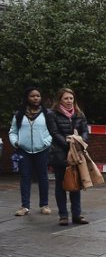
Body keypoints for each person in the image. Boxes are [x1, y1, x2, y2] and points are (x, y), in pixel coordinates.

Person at [47, 88, 90, 226]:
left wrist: (79, 143)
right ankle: (63, 215)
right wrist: (68, 143)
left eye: (71, 98)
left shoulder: (79, 114)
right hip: (60, 155)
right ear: (60, 100)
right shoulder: (52, 114)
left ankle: (77, 215)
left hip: (76, 154)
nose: (69, 101)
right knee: (61, 186)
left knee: (76, 185)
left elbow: (85, 132)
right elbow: (54, 133)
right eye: (66, 98)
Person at [9, 87, 53, 217]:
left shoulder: (47, 113)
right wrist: (16, 142)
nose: (35, 98)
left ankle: (44, 205)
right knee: (25, 177)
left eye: (38, 96)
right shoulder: (19, 114)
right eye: (32, 96)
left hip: (42, 150)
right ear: (27, 98)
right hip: (24, 151)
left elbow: (52, 131)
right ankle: (25, 206)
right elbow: (13, 131)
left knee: (43, 177)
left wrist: (46, 142)